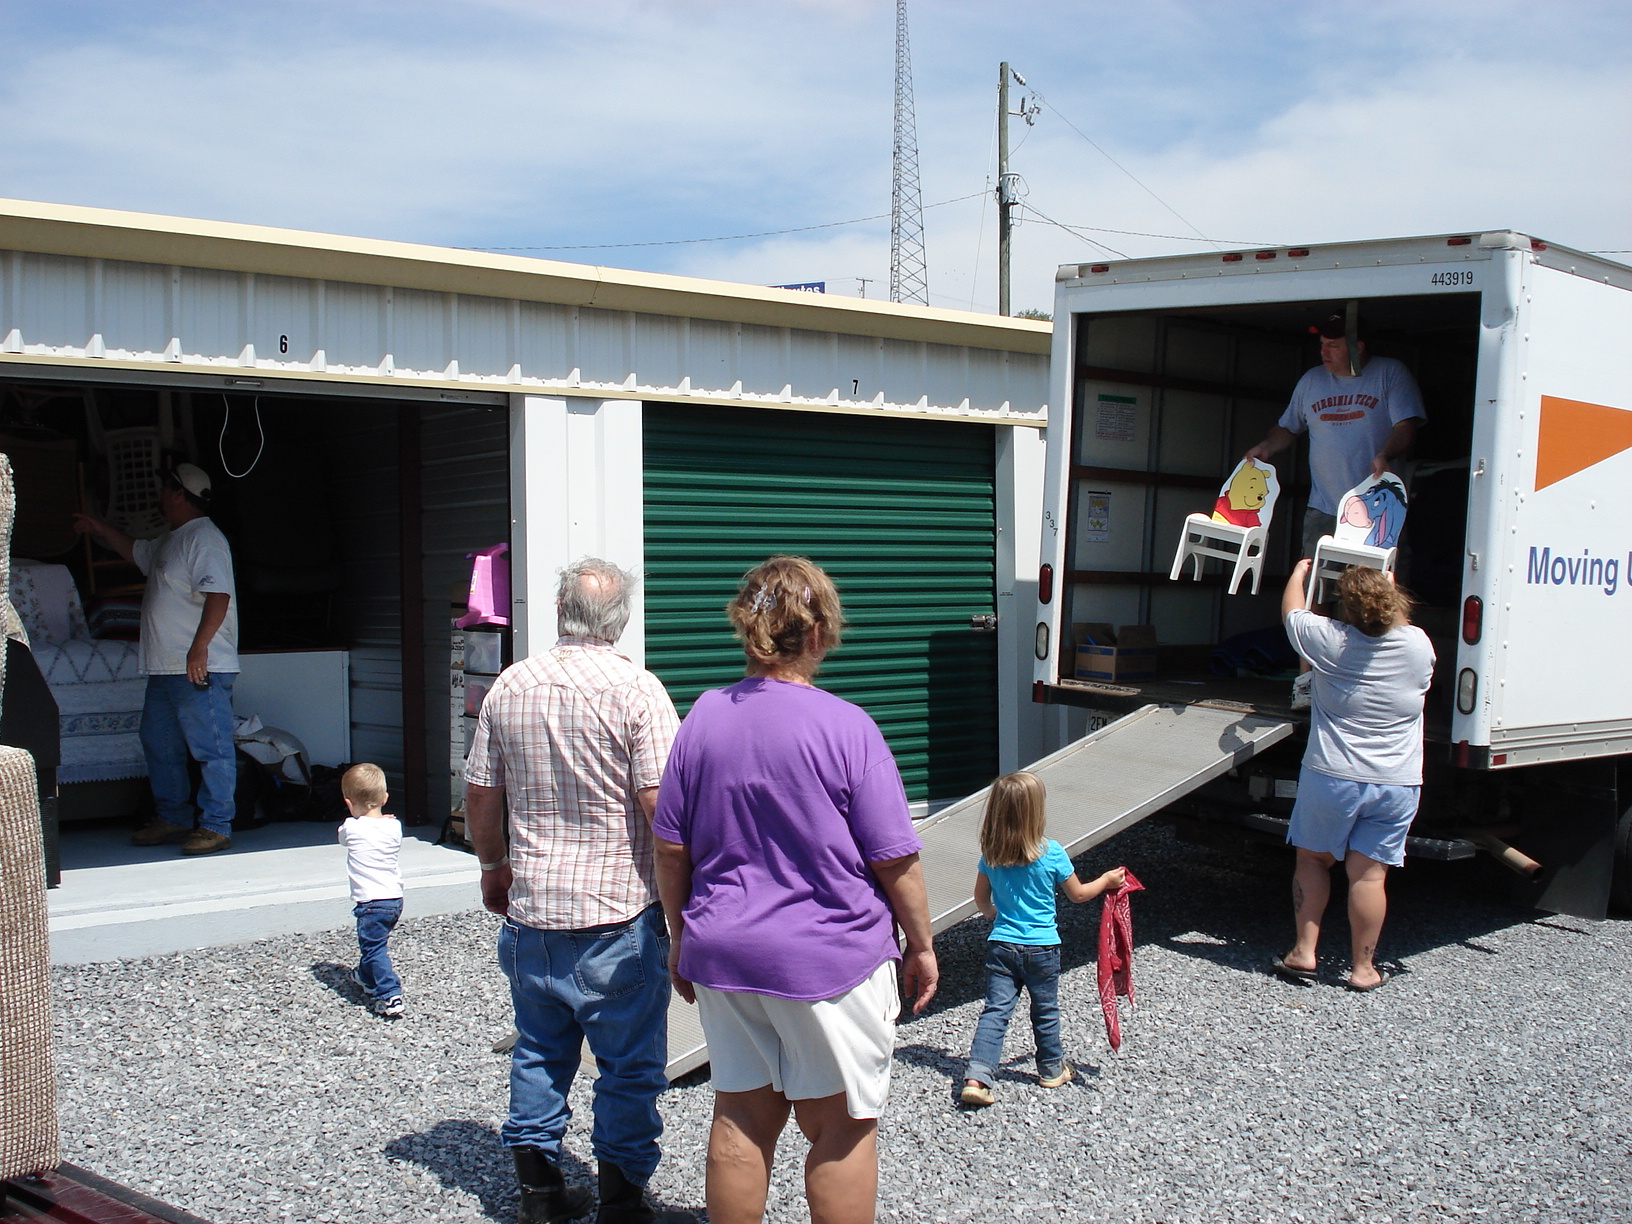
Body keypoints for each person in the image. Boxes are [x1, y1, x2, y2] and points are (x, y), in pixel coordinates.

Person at [652, 555, 938, 1224]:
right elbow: (895, 860)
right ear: (818, 634)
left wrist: (681, 938)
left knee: (742, 1115)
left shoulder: (704, 717)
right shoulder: (847, 727)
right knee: (841, 1127)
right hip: (829, 960)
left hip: (724, 952)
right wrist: (921, 944)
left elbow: (671, 847)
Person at [464, 558, 687, 1224]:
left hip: (534, 911)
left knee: (539, 1050)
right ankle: (622, 1201)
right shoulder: (639, 691)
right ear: (620, 618)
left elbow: (480, 793)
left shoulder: (512, 684)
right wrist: (686, 917)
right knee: (627, 1068)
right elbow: (662, 813)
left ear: (561, 608)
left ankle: (540, 1195)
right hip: (617, 914)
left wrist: (492, 866)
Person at [1243, 313, 1426, 709]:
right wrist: (1266, 448)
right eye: (1322, 344)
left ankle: (1373, 679)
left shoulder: (1388, 374)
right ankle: (1308, 683)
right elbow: (1288, 428)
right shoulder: (1311, 381)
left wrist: (1386, 453)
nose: (1324, 352)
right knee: (1315, 592)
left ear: (1357, 347)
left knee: (1375, 593)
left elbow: (1407, 425)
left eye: (1333, 345)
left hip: (1375, 510)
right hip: (1323, 507)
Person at [1272, 559, 1434, 992]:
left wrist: (1298, 575)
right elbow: (1396, 621)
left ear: (1347, 609)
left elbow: (1291, 612)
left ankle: (1304, 952)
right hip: (1397, 781)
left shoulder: (1331, 641)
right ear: (1393, 601)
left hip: (1334, 775)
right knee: (1369, 875)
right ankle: (1364, 969)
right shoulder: (1419, 646)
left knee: (1312, 860)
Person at [73, 462, 240, 855]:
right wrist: (98, 527)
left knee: (210, 748)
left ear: (179, 493)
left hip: (200, 667)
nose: (160, 495)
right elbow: (135, 550)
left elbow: (219, 596)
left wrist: (199, 648)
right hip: (165, 668)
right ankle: (174, 818)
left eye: (166, 488)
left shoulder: (206, 539)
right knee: (159, 745)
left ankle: (217, 824)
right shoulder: (173, 538)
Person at [959, 771, 1125, 1108]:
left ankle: (977, 1077)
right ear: (1036, 812)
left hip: (1002, 946)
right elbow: (1078, 895)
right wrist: (1106, 880)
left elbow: (980, 900)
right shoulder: (1052, 853)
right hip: (1043, 949)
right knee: (1045, 1011)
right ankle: (1051, 1070)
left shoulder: (991, 854)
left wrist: (997, 918)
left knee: (995, 1011)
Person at [339, 762, 404, 1019]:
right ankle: (365, 976)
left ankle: (389, 994)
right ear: (385, 798)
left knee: (374, 948)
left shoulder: (351, 827)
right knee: (375, 944)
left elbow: (343, 837)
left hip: (370, 902)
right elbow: (379, 826)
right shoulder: (394, 827)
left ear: (348, 802)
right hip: (394, 899)